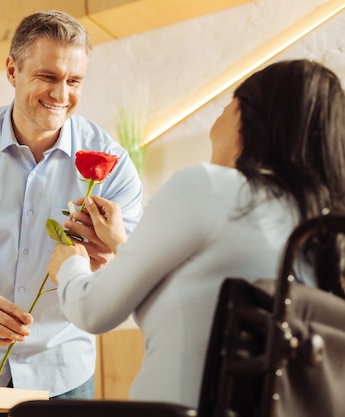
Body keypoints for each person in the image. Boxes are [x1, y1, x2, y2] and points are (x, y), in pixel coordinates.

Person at [47, 59, 345, 408]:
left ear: (244, 119)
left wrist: (70, 265)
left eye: (226, 106)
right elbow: (201, 311)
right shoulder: (324, 232)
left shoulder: (209, 186)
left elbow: (93, 310)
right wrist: (122, 246)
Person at [0, 9, 143, 415]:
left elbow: (138, 264)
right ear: (12, 71)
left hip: (63, 373)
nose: (61, 94)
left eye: (74, 81)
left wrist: (111, 255)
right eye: (48, 77)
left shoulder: (113, 164)